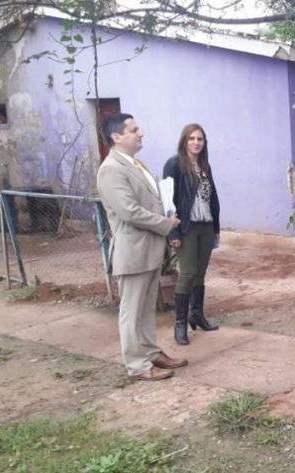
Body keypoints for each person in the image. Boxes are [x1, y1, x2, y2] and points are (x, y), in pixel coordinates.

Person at [96, 113, 187, 381]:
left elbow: (149, 200)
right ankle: (137, 365)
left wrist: (167, 211)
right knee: (132, 311)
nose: (141, 133)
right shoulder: (111, 169)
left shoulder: (135, 164)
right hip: (133, 251)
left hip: (148, 249)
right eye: (134, 130)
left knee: (146, 309)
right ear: (116, 137)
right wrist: (166, 224)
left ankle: (151, 353)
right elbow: (129, 211)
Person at [163, 124, 221, 345]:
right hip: (186, 227)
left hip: (205, 226)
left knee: (200, 274)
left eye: (200, 139)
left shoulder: (205, 166)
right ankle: (180, 323)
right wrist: (173, 233)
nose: (196, 142)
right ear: (184, 141)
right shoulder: (174, 164)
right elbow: (168, 201)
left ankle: (196, 314)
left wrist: (216, 228)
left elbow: (212, 198)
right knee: (187, 274)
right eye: (192, 138)